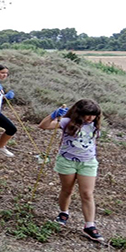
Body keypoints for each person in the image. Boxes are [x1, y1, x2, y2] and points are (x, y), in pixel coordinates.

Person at [38, 99, 105, 242]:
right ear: (79, 112)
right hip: (67, 161)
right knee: (67, 189)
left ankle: (90, 225)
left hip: (88, 162)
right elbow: (43, 126)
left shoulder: (94, 125)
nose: (90, 118)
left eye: (93, 115)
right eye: (87, 115)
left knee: (87, 193)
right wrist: (54, 115)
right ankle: (64, 213)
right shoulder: (67, 122)